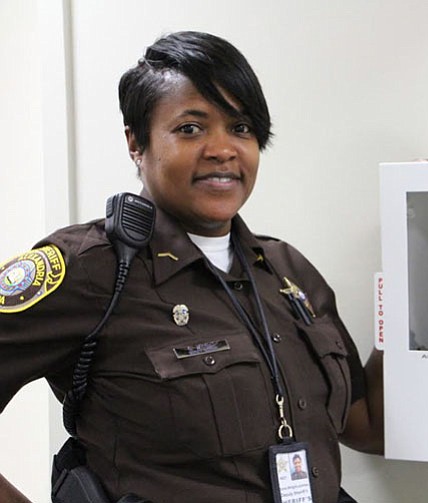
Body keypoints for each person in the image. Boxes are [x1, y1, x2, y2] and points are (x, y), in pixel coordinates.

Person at [0, 31, 383, 503]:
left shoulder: (287, 270)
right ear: (136, 143)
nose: (223, 149)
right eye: (190, 128)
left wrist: (413, 282)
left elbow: (367, 429)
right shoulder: (90, 269)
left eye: (241, 128)